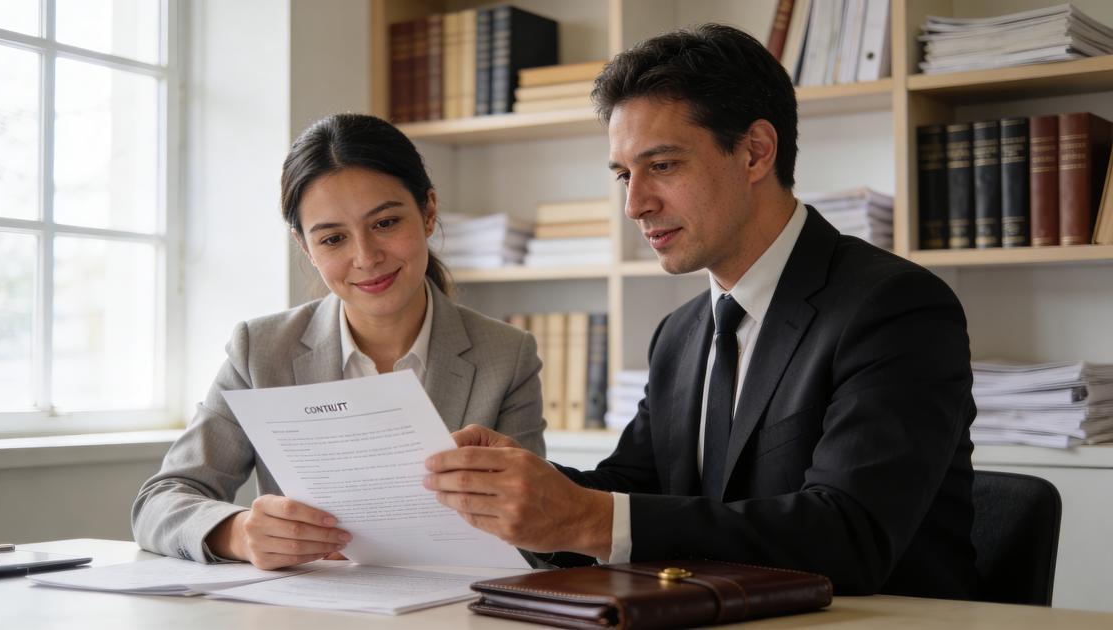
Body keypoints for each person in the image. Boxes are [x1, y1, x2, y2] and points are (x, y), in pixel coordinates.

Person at [424, 24, 979, 599]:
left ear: (755, 152)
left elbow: (849, 537)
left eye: (662, 165)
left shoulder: (895, 308)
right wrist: (520, 488)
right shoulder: (681, 333)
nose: (634, 204)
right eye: (623, 174)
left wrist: (583, 517)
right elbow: (636, 488)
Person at [133, 113, 545, 570]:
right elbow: (160, 501)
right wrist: (239, 535)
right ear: (305, 247)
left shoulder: (507, 355)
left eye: (386, 223)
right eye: (332, 238)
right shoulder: (261, 349)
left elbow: (533, 526)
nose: (366, 258)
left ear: (428, 211)